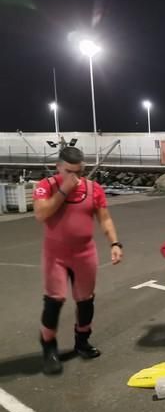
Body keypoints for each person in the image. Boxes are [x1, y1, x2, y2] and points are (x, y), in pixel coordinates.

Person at [33, 147, 123, 375]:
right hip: (56, 256)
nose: (75, 177)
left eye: (79, 172)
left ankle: (82, 342)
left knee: (86, 301)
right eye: (69, 172)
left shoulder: (93, 189)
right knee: (54, 300)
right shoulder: (46, 186)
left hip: (84, 254)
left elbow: (105, 219)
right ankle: (49, 347)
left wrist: (114, 244)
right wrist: (64, 190)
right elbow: (41, 214)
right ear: (58, 167)